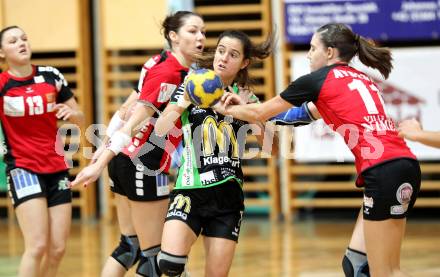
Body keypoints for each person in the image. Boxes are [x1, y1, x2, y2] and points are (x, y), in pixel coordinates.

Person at [217, 23, 421, 277]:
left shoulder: (318, 80)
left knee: (385, 272)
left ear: (330, 52)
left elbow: (260, 113)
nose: (308, 54)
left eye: (313, 48)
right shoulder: (360, 78)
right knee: (356, 265)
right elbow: (297, 115)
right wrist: (244, 105)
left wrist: (225, 107)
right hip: (404, 166)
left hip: (383, 171)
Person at [71, 11, 206, 277]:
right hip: (143, 163)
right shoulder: (170, 73)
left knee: (129, 246)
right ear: (174, 36)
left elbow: (124, 109)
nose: (200, 37)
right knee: (156, 258)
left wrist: (104, 147)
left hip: (126, 161)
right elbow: (133, 120)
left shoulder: (157, 62)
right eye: (192, 31)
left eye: (203, 31)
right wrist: (98, 163)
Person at [153, 29, 276, 277]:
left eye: (232, 55)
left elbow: (272, 148)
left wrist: (247, 111)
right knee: (169, 263)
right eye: (221, 51)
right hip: (190, 188)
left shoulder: (246, 96)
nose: (223, 58)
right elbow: (160, 129)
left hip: (227, 196)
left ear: (244, 63)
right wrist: (184, 102)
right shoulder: (192, 84)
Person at [0, 26, 84, 277]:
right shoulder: (2, 84)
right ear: (2, 52)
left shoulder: (51, 76)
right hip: (23, 168)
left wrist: (73, 115)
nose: (21, 43)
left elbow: (81, 117)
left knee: (57, 249)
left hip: (56, 168)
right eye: (13, 41)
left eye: (24, 38)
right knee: (36, 246)